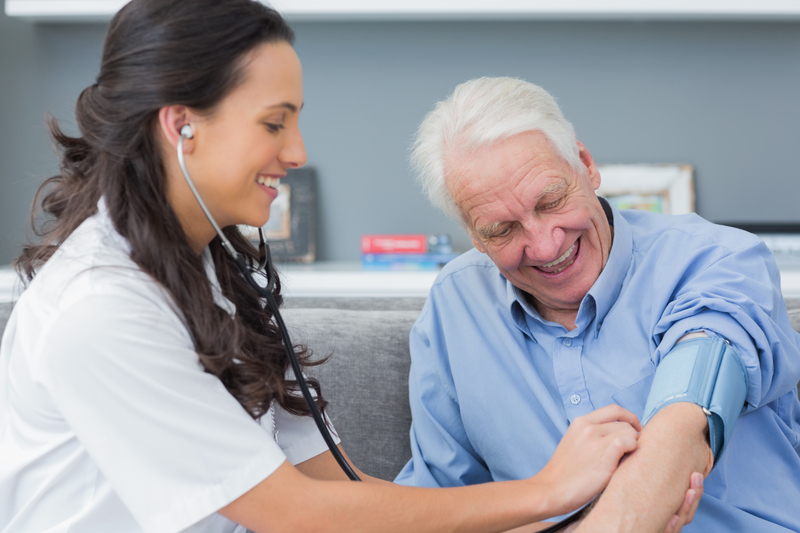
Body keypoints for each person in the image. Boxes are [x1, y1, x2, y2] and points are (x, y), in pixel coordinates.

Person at [0, 2, 705, 532]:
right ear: (181, 124)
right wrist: (556, 489)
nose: (298, 150)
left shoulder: (203, 270)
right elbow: (299, 512)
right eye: (275, 122)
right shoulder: (99, 308)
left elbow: (339, 488)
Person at [394, 75, 800, 532]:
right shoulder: (455, 308)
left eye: (551, 201)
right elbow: (440, 507)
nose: (545, 247)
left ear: (585, 165)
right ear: (473, 234)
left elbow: (685, 427)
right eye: (502, 230)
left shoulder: (715, 262)